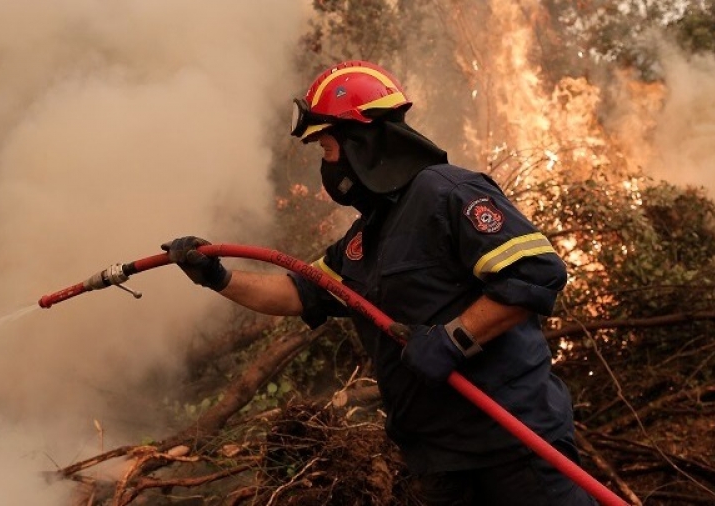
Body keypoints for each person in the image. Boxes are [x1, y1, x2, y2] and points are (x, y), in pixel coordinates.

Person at [163, 60, 596, 505]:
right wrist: (217, 276)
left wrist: (454, 339)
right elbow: (297, 291)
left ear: (362, 143)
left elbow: (535, 272)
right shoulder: (364, 239)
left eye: (327, 148)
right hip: (438, 459)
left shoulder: (448, 193)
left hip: (513, 445)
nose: (326, 165)